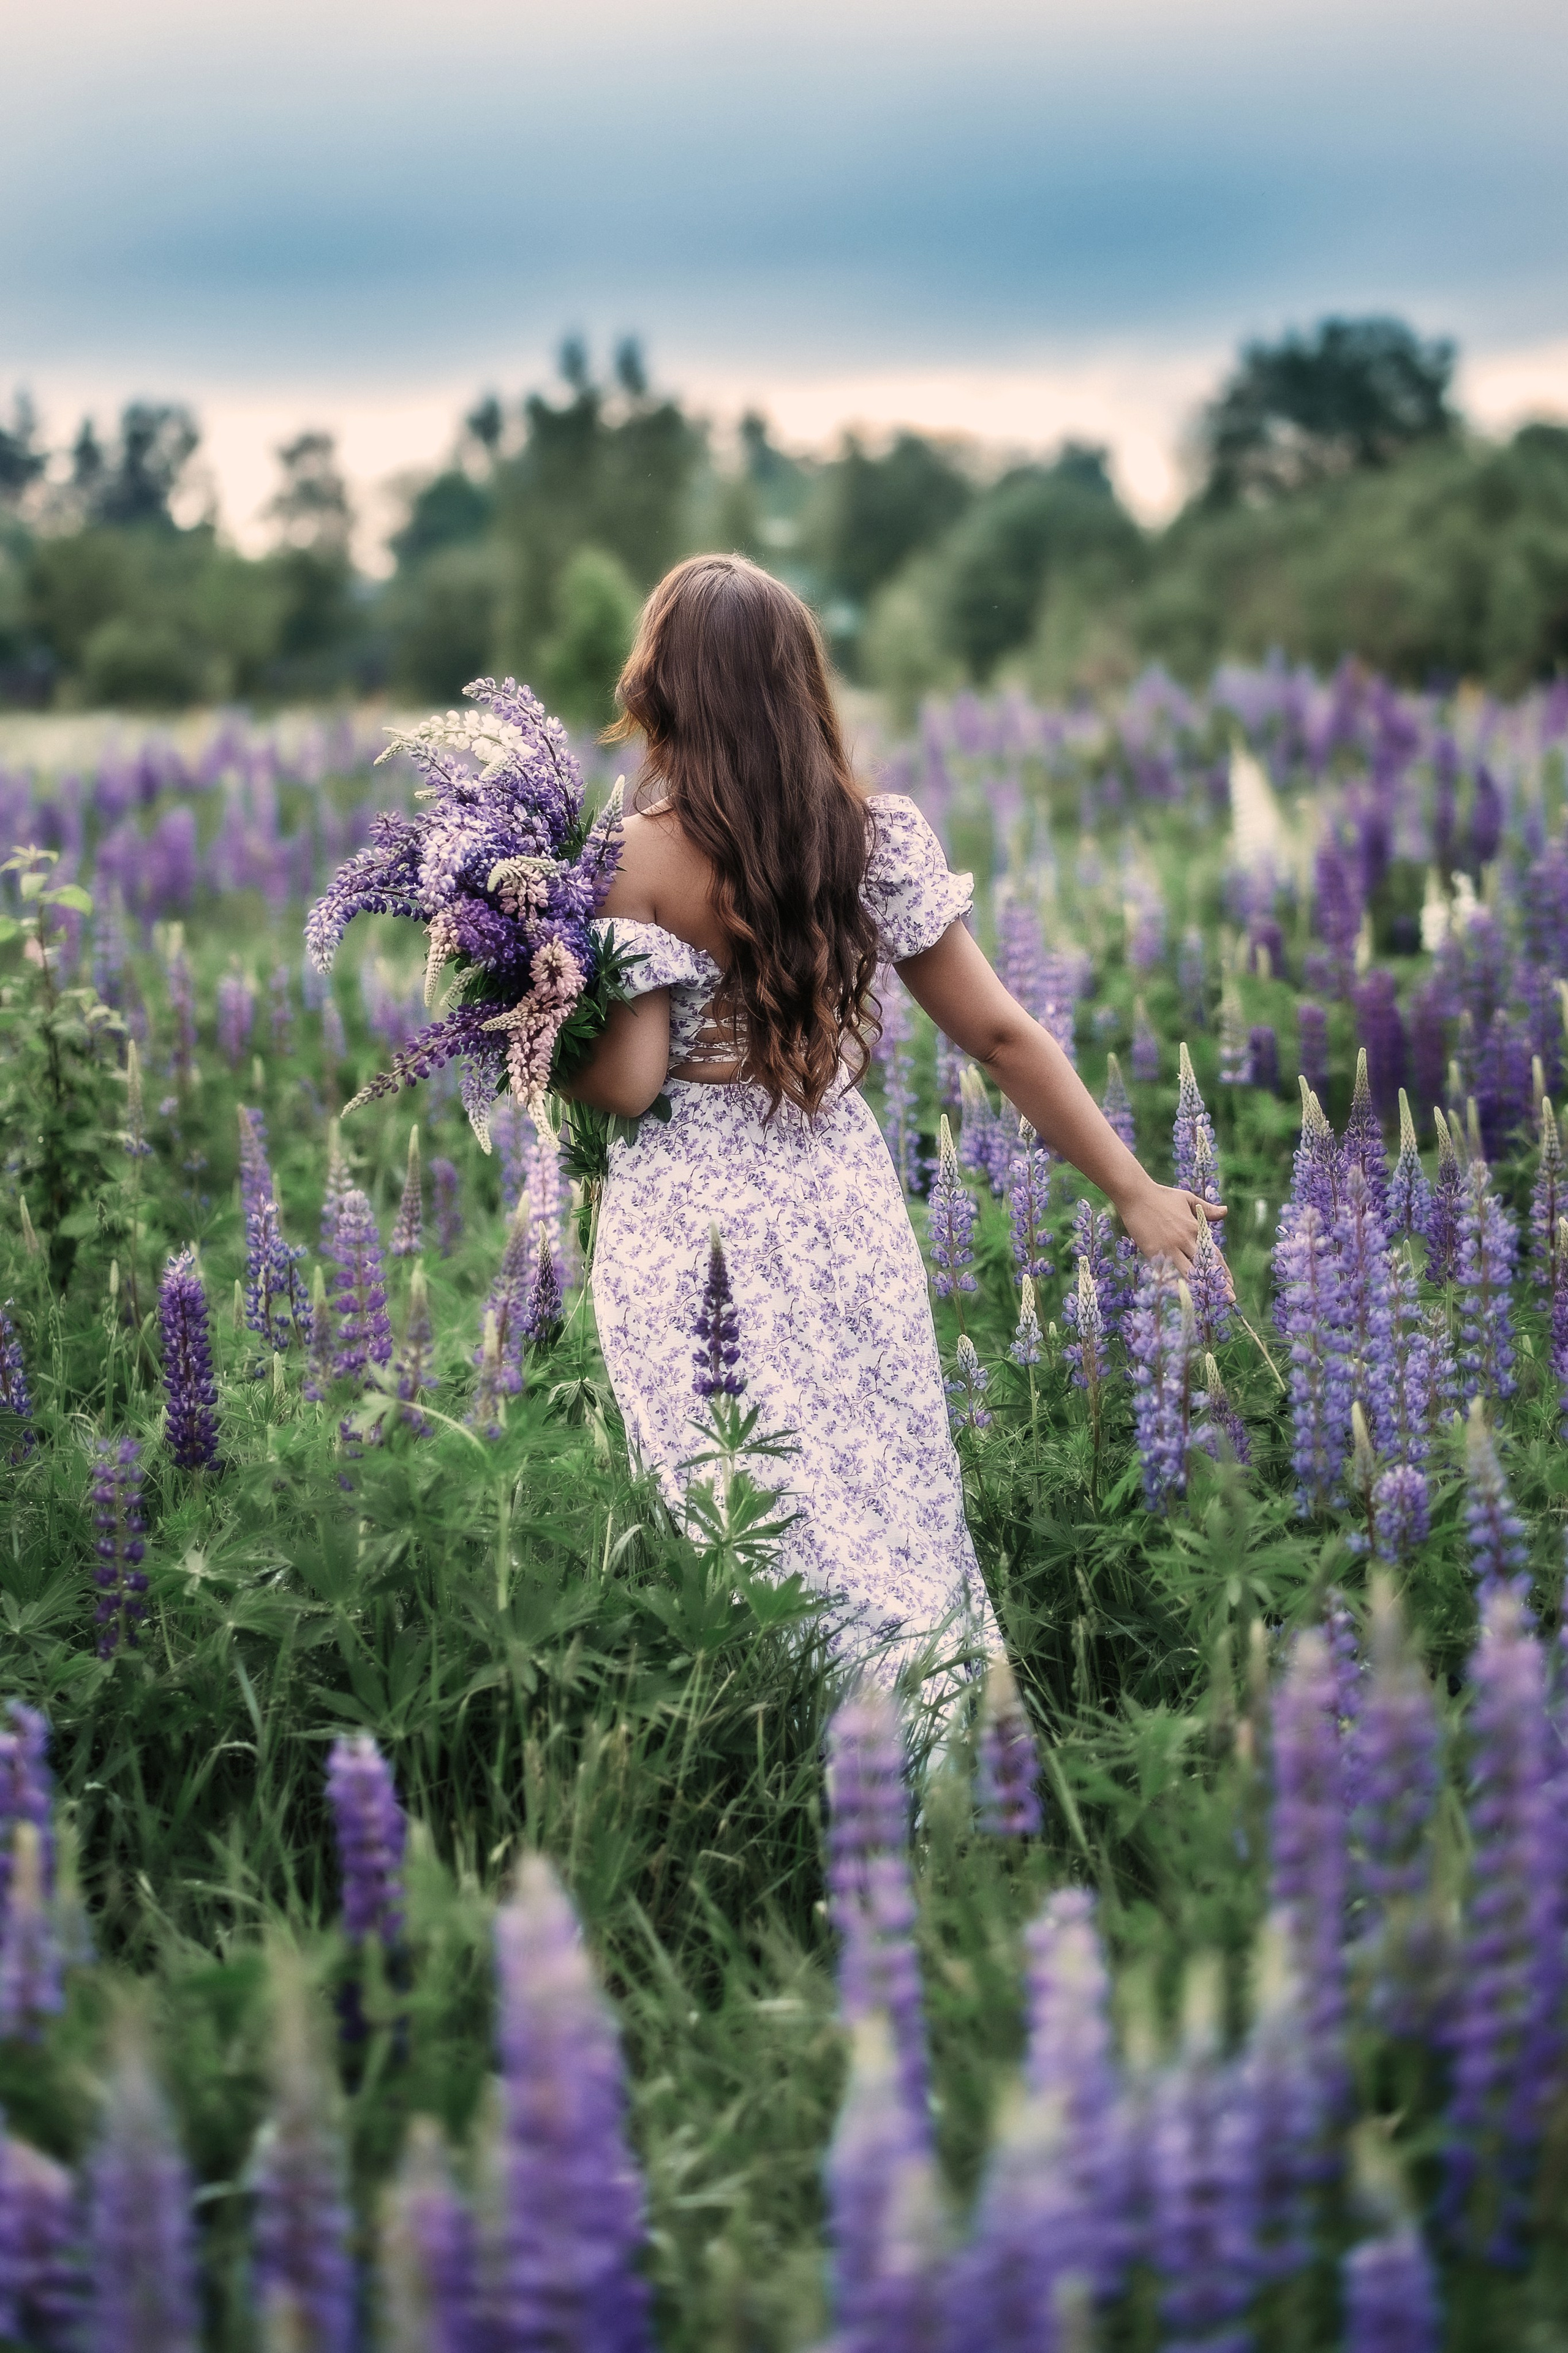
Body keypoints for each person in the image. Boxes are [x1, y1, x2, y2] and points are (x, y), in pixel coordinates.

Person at [565, 554, 1223, 1675]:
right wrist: (1135, 1190)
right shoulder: (871, 836)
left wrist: (532, 1026)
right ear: (798, 685)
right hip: (837, 1199)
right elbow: (1003, 1035)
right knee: (883, 1491)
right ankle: (947, 1723)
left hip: (688, 1220)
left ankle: (794, 1736)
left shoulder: (627, 859)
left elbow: (627, 1084)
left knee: (738, 1509)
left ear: (662, 688)